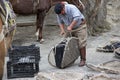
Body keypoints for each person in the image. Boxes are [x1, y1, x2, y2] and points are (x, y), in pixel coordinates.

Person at [54, 2, 87, 66]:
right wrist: (62, 30)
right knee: (64, 42)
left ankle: (83, 60)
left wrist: (70, 26)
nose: (61, 14)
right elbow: (60, 22)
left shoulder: (72, 8)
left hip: (80, 26)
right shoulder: (59, 12)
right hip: (70, 28)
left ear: (63, 7)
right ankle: (66, 59)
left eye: (62, 12)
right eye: (60, 14)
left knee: (81, 43)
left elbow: (77, 18)